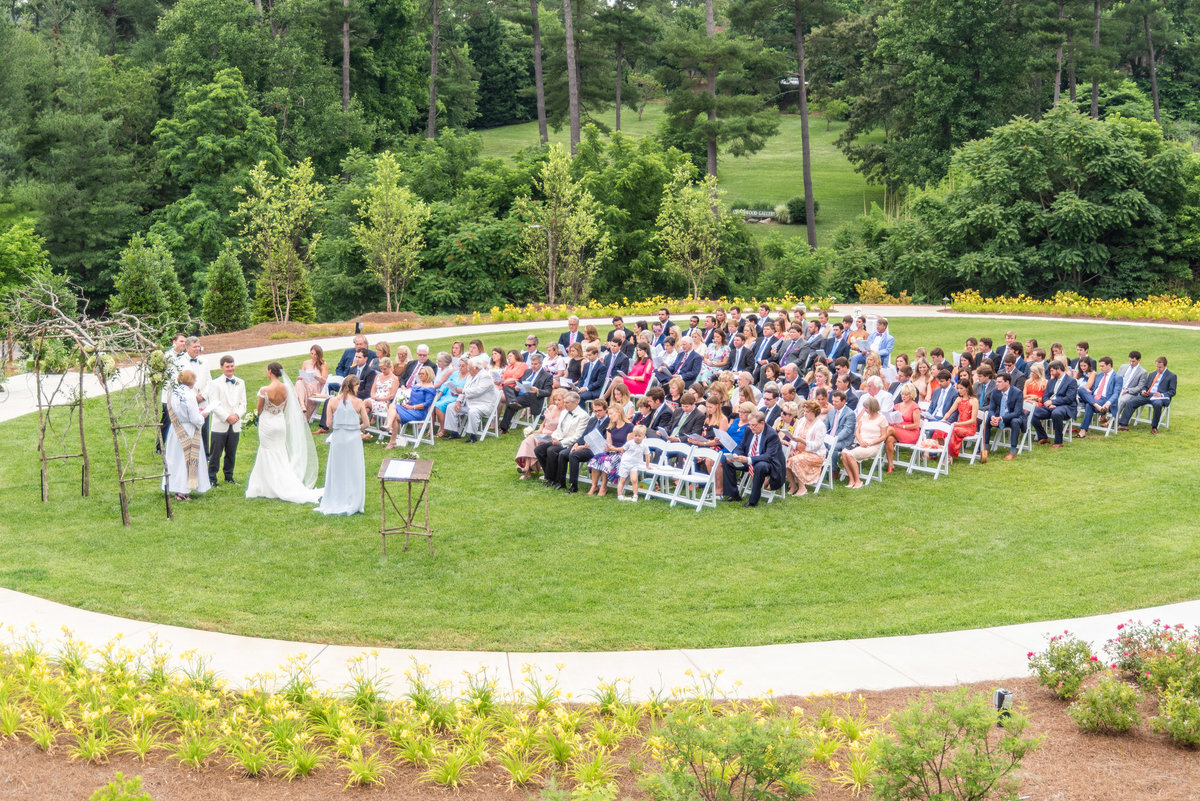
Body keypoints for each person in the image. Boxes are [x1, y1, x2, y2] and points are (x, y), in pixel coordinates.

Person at [246, 362, 321, 504]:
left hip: (267, 423)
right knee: (280, 452)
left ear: (269, 372)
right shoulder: (286, 387)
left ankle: (267, 485)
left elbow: (260, 409)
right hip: (280, 422)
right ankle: (280, 480)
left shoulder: (264, 390)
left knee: (267, 451)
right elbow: (285, 406)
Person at [314, 376, 371, 516]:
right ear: (353, 386)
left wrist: (340, 425)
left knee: (337, 468)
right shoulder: (358, 402)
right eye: (357, 386)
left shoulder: (332, 401)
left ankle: (337, 496)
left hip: (338, 438)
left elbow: (328, 424)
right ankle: (353, 498)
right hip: (353, 439)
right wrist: (356, 427)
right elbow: (367, 424)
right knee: (353, 468)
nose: (358, 388)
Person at [162, 369, 211, 501]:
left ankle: (176, 487)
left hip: (176, 428)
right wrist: (203, 415)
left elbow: (179, 410)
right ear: (192, 381)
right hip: (188, 430)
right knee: (186, 460)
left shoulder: (174, 393)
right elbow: (194, 418)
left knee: (175, 459)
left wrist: (196, 410)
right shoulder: (189, 395)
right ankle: (182, 492)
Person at [722, 411, 785, 507]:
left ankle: (753, 501)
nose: (751, 428)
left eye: (754, 425)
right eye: (750, 425)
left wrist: (748, 459)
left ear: (762, 423)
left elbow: (768, 456)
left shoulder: (771, 435)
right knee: (726, 461)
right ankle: (733, 494)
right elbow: (742, 446)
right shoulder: (749, 430)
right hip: (748, 460)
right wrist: (735, 455)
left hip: (768, 463)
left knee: (760, 466)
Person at [205, 355, 246, 486]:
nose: (230, 369)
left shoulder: (241, 382)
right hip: (220, 424)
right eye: (227, 366)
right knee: (215, 454)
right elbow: (214, 403)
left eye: (232, 366)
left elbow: (243, 403)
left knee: (231, 452)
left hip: (235, 423)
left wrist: (237, 416)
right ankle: (211, 478)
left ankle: (229, 476)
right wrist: (227, 417)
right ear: (222, 367)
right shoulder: (214, 383)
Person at [444, 355, 500, 442]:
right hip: (470, 403)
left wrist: (461, 390)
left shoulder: (485, 377)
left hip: (484, 404)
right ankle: (454, 432)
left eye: (469, 368)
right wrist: (458, 400)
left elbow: (477, 391)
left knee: (473, 411)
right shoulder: (470, 376)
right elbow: (465, 390)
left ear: (476, 368)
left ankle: (473, 436)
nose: (468, 370)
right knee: (451, 407)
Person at [515, 388, 567, 478]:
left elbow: (562, 431)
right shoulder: (551, 407)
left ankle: (526, 470)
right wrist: (539, 430)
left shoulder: (565, 413)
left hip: (552, 436)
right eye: (555, 400)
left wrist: (548, 434)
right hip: (542, 433)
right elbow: (543, 424)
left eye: (559, 400)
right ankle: (526, 469)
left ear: (565, 400)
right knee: (528, 441)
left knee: (535, 442)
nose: (557, 402)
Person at [1118, 356, 1176, 432]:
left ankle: (1154, 427)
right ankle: (1123, 424)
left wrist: (1161, 395)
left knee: (1158, 404)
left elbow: (1172, 391)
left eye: (1160, 367)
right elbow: (1145, 386)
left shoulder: (1171, 376)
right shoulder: (1152, 374)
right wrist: (1143, 391)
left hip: (1159, 398)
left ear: (1165, 366)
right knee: (1131, 402)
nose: (1158, 369)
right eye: (1157, 367)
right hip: (1147, 395)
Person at [840, 396, 887, 488]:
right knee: (844, 453)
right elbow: (857, 431)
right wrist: (861, 441)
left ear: (872, 407)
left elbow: (884, 436)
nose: (865, 410)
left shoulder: (882, 418)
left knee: (850, 455)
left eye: (866, 408)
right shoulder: (864, 417)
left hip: (873, 445)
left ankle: (858, 481)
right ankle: (851, 479)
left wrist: (871, 443)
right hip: (860, 443)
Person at [587, 405, 632, 496]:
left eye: (611, 414)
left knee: (607, 460)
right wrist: (607, 447)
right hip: (612, 451)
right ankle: (594, 485)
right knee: (596, 458)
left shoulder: (629, 426)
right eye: (609, 414)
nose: (610, 416)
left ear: (619, 412)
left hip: (624, 453)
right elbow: (609, 443)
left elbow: (629, 446)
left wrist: (615, 449)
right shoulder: (610, 427)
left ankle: (603, 486)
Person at [501, 353, 553, 432]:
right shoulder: (528, 372)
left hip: (532, 397)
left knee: (510, 404)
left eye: (535, 364)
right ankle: (513, 401)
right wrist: (517, 387)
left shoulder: (547, 376)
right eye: (532, 364)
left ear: (541, 364)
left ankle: (504, 427)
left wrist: (537, 390)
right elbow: (520, 382)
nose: (533, 366)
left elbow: (548, 391)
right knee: (506, 387)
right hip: (520, 393)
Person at [386, 366, 436, 448]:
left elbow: (426, 404)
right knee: (392, 405)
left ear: (428, 375)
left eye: (422, 374)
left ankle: (392, 440)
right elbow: (413, 399)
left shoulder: (430, 388)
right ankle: (389, 428)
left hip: (419, 412)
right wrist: (406, 403)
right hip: (410, 408)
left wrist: (412, 407)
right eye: (419, 373)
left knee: (394, 416)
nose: (420, 375)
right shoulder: (417, 384)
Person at [785, 400, 827, 496]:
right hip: (799, 450)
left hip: (815, 454)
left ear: (814, 412)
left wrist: (802, 441)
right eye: (804, 411)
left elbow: (817, 445)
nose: (805, 414)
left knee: (795, 460)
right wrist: (792, 448)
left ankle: (802, 488)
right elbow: (794, 437)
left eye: (807, 412)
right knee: (785, 458)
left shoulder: (820, 425)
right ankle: (793, 485)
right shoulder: (802, 421)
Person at [1032, 361, 1078, 447]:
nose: (1051, 373)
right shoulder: (1051, 381)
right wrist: (1048, 404)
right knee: (1033, 413)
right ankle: (1043, 437)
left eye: (1052, 371)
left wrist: (1053, 402)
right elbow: (1045, 396)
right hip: (1050, 406)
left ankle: (1058, 442)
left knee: (1056, 413)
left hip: (1065, 406)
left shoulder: (1071, 381)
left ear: (1059, 369)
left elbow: (1069, 398)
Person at [158, 333, 189, 451]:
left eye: (184, 342)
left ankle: (178, 445)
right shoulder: (167, 356)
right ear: (174, 342)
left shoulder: (186, 357)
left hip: (182, 394)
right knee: (166, 420)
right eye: (181, 341)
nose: (183, 344)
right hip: (169, 394)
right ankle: (160, 446)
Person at [984, 372, 1026, 461]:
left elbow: (1017, 413)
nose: (997, 384)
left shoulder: (1017, 392)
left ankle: (1012, 451)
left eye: (999, 382)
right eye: (996, 382)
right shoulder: (995, 391)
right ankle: (985, 449)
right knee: (987, 419)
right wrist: (993, 417)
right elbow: (991, 409)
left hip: (1014, 417)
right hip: (1000, 416)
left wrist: (1001, 418)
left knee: (1015, 421)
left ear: (1007, 382)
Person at [1076, 356, 1121, 436]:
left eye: (1102, 366)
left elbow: (1116, 393)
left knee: (1089, 405)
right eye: (1100, 366)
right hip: (1094, 397)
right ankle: (1097, 406)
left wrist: (1108, 403)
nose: (1100, 368)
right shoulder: (1099, 375)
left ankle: (1083, 431)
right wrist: (1089, 391)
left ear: (1109, 365)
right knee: (1081, 390)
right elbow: (1094, 388)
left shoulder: (1117, 377)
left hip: (1105, 399)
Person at [884, 384, 921, 472]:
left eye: (906, 394)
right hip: (897, 429)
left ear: (911, 395)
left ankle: (876, 442)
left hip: (910, 432)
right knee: (889, 439)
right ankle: (890, 465)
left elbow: (916, 425)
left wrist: (902, 426)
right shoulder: (897, 406)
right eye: (902, 394)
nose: (903, 396)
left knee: (890, 430)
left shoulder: (915, 407)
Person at [942, 378, 979, 459]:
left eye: (961, 388)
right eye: (958, 388)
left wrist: (958, 424)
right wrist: (943, 420)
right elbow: (949, 412)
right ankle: (942, 452)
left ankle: (949, 455)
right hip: (959, 425)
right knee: (942, 429)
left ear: (967, 388)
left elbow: (973, 420)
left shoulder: (974, 400)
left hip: (969, 427)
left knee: (953, 430)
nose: (959, 390)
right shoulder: (959, 399)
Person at [434, 358, 470, 435]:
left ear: (468, 366)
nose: (460, 367)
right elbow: (446, 384)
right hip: (448, 394)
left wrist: (457, 394)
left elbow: (467, 390)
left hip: (458, 397)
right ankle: (432, 428)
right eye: (459, 365)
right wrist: (440, 394)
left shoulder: (469, 377)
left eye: (463, 366)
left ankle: (443, 430)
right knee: (434, 403)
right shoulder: (455, 373)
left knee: (439, 405)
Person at [296, 345, 329, 419]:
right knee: (299, 382)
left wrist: (316, 376)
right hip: (305, 384)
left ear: (319, 355)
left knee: (299, 388)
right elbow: (302, 375)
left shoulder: (323, 364)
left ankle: (302, 409)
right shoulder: (305, 362)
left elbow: (324, 381)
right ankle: (302, 405)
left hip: (316, 387)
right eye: (312, 353)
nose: (313, 356)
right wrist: (300, 377)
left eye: (315, 354)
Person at [1116, 351, 1149, 421]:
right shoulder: (1123, 366)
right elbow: (1116, 379)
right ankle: (1103, 416)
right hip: (1118, 389)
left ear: (1139, 360)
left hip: (1130, 393)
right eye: (1130, 361)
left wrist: (1127, 390)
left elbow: (1140, 387)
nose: (1131, 363)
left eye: (1133, 361)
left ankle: (1113, 420)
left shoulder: (1143, 372)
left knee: (1121, 401)